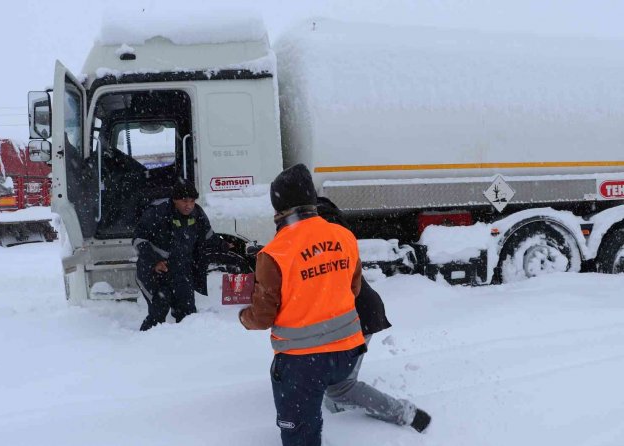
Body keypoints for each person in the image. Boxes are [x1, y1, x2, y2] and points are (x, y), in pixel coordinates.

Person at [239, 163, 367, 446]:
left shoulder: (274, 253)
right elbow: (353, 288)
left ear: (279, 207)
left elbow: (261, 318)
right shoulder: (343, 236)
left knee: (300, 435)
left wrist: (243, 315)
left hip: (303, 362)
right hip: (347, 354)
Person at [316, 196, 431, 433]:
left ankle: (402, 414)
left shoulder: (325, 238)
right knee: (331, 381)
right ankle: (343, 417)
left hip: (357, 316)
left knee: (341, 387)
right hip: (353, 313)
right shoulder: (336, 235)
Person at [133, 178, 229, 331]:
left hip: (180, 272)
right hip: (152, 272)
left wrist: (225, 245)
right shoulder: (157, 212)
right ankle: (144, 344)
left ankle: (185, 348)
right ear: (174, 200)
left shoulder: (197, 213)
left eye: (192, 201)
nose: (189, 205)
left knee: (187, 314)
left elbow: (208, 236)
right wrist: (155, 261)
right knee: (159, 308)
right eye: (184, 201)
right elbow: (139, 240)